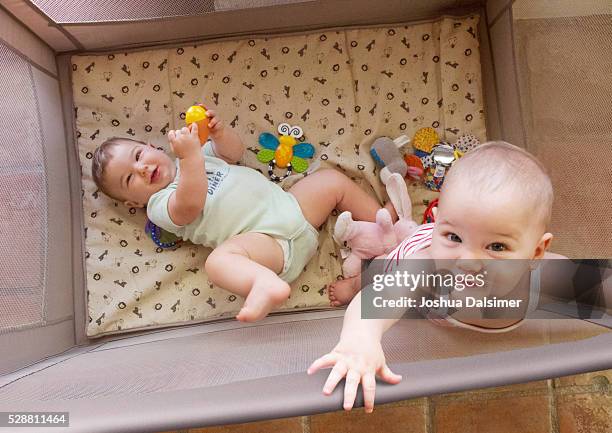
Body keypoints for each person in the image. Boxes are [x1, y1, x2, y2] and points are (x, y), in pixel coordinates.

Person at [308, 141, 555, 412]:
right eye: (454, 237)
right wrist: (361, 339)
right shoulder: (423, 268)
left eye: (497, 247)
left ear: (537, 252)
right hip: (403, 258)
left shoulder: (549, 275)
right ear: (437, 222)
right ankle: (352, 282)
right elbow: (379, 298)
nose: (468, 263)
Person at [91, 107, 396, 322]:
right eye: (130, 179)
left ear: (149, 146)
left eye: (138, 156)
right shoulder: (159, 205)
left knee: (331, 181)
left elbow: (233, 154)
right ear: (132, 203)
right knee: (218, 262)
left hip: (292, 208)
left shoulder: (195, 157)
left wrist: (220, 133)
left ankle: (386, 227)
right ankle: (263, 284)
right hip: (268, 246)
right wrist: (191, 156)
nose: (142, 169)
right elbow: (190, 204)